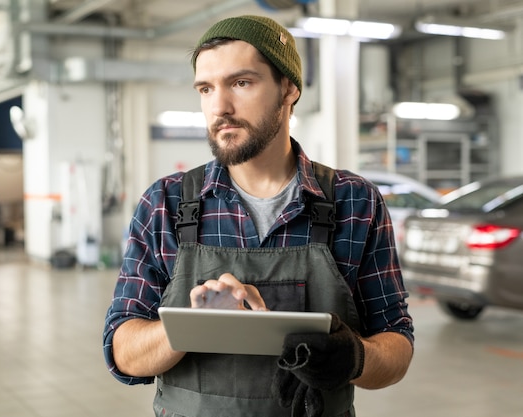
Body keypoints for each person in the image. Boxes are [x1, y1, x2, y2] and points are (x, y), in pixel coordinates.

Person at [103, 15, 413, 417]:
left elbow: (397, 346)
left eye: (241, 83)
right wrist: (193, 326)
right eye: (206, 88)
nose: (220, 107)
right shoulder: (167, 203)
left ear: (289, 88)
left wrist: (353, 356)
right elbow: (122, 352)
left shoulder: (354, 202)